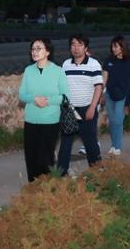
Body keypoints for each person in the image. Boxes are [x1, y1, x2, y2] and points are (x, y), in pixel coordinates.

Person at [18, 38, 69, 182]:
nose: (34, 51)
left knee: (45, 158)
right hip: (31, 120)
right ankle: (33, 188)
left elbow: (65, 96)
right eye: (33, 49)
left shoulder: (58, 71)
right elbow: (22, 94)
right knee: (31, 156)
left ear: (47, 51)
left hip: (50, 120)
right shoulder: (28, 71)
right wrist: (34, 99)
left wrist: (47, 101)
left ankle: (46, 189)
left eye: (38, 48)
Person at [57, 34, 103, 175]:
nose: (76, 48)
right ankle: (60, 174)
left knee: (90, 143)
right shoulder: (66, 64)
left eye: (80, 45)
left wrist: (92, 108)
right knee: (65, 143)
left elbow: (98, 87)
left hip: (87, 109)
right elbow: (62, 86)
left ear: (86, 47)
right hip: (69, 110)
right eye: (73, 44)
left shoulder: (93, 64)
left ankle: (98, 173)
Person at [102, 35, 130, 155]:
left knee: (118, 120)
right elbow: (104, 78)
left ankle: (117, 146)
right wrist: (101, 94)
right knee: (112, 121)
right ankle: (113, 145)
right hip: (110, 94)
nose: (113, 48)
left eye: (116, 46)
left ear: (122, 46)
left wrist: (128, 100)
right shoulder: (108, 60)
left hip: (123, 95)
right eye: (112, 46)